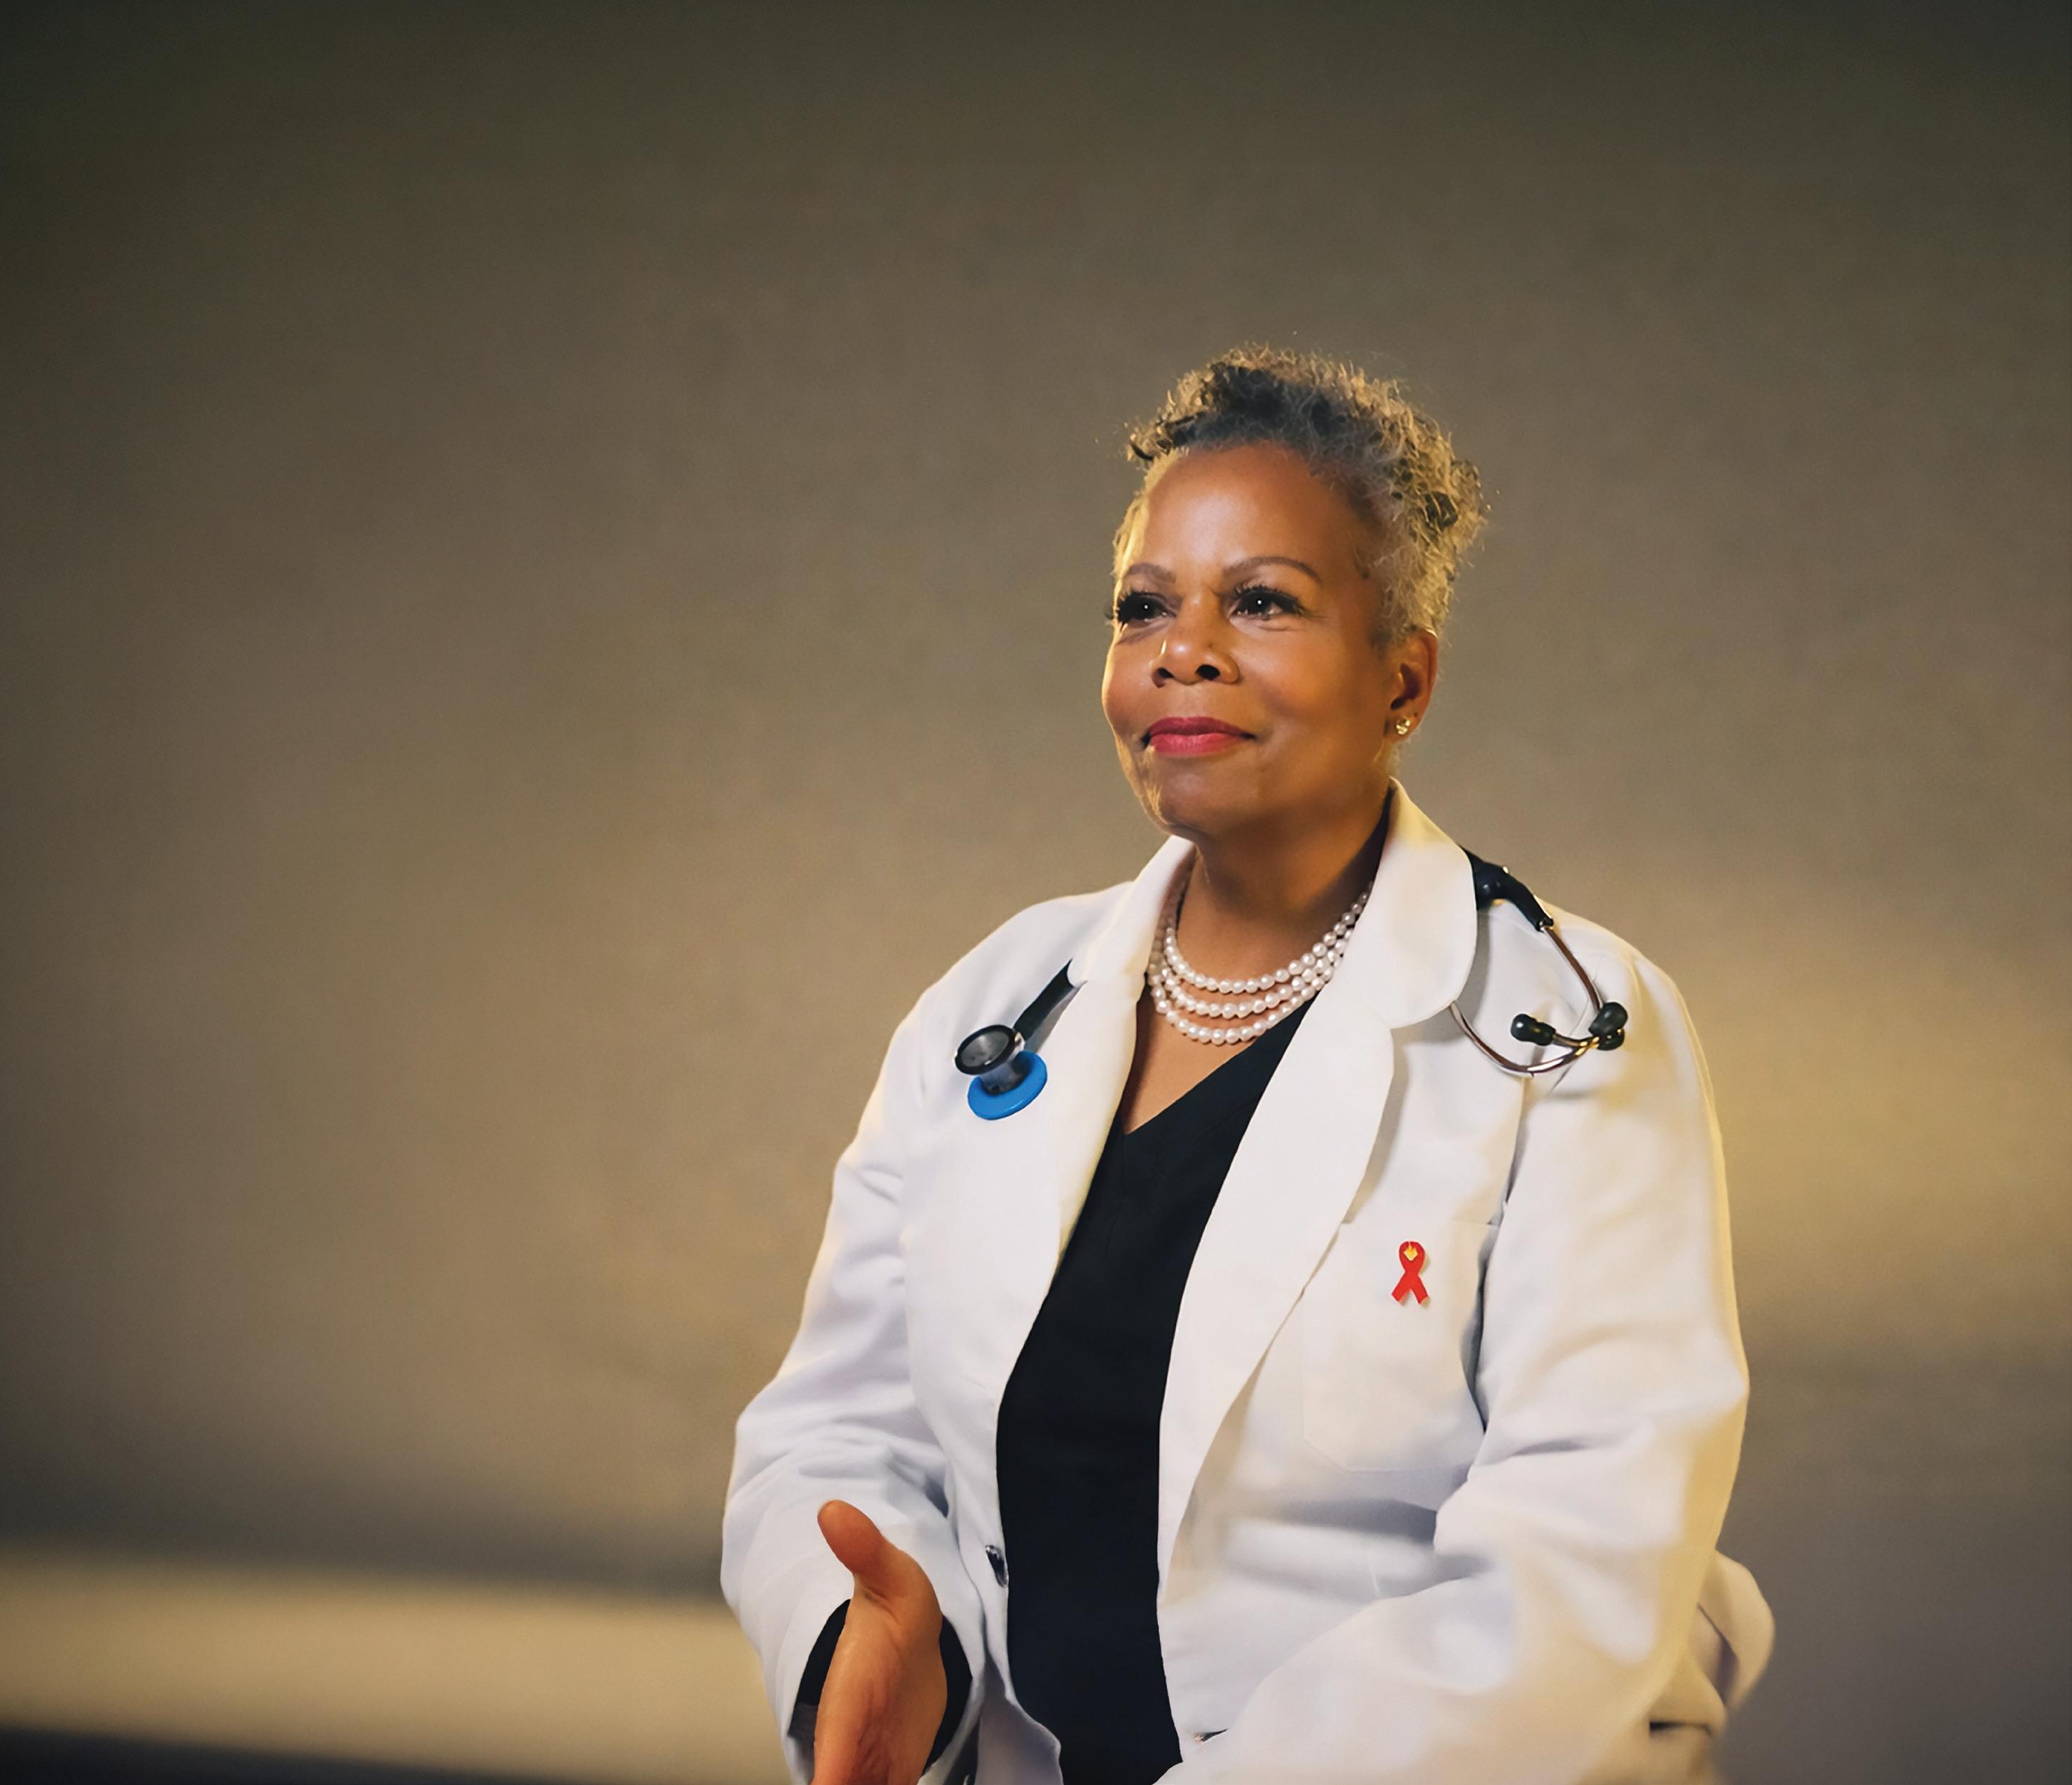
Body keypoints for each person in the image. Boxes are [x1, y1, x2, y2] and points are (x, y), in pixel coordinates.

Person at [721, 348, 1771, 1785]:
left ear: (1403, 678)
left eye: (1262, 600)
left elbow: (1578, 1564)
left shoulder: (1571, 1032)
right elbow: (837, 1429)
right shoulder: (996, 1002)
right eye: (1143, 606)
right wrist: (877, 1646)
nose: (1184, 649)